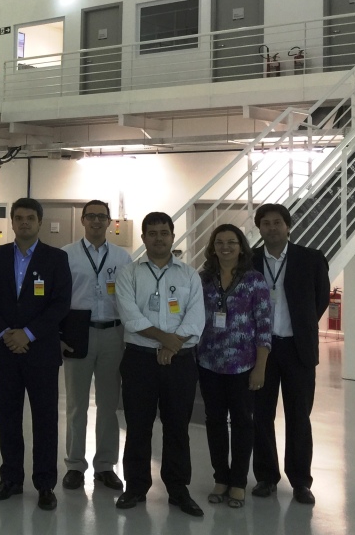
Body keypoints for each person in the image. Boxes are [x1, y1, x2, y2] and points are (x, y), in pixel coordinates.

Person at [0, 197, 71, 511]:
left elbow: (60, 303)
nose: (25, 222)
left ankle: (45, 484)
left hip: (40, 352)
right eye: (19, 217)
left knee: (45, 420)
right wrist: (6, 332)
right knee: (7, 418)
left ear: (39, 222)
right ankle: (11, 479)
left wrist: (28, 334)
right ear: (12, 222)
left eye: (31, 217)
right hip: (5, 351)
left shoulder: (56, 258)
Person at [115, 212, 205, 517]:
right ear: (143, 238)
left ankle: (178, 489)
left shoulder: (189, 275)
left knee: (177, 426)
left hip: (179, 362)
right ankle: (135, 487)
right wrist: (166, 340)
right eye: (152, 233)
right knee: (138, 426)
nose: (158, 238)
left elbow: (196, 317)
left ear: (172, 236)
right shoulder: (129, 273)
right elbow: (130, 316)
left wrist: (172, 345)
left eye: (164, 233)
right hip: (139, 359)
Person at [251, 203, 330, 505]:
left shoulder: (310, 258)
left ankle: (300, 482)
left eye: (277, 223)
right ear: (259, 228)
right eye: (266, 223)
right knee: (261, 415)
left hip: (298, 349)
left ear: (288, 226)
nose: (272, 228)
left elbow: (320, 299)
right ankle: (266, 477)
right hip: (261, 350)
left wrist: (301, 325)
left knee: (299, 416)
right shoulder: (251, 260)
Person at [197, 224, 271, 508]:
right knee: (214, 422)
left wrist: (260, 367)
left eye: (231, 242)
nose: (225, 247)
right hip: (209, 363)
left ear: (241, 247)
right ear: (212, 247)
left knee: (242, 423)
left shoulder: (254, 281)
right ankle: (221, 478)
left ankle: (238, 481)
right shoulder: (203, 279)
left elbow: (264, 326)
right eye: (219, 242)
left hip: (243, 366)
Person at [60, 199, 132, 492]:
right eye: (91, 216)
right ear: (83, 220)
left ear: (109, 221)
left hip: (113, 333)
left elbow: (129, 297)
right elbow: (58, 298)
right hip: (78, 333)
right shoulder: (67, 255)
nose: (96, 221)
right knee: (76, 405)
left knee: (108, 404)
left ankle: (105, 465)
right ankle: (75, 465)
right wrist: (59, 334)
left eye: (102, 217)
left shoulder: (122, 257)